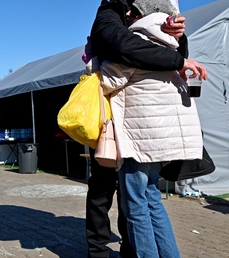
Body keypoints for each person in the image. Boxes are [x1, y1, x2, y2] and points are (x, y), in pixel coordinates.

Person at [86, 0, 206, 257]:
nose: (127, 14)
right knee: (153, 200)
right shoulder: (171, 45)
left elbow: (108, 80)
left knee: (136, 208)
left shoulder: (137, 40)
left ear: (144, 15)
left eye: (133, 11)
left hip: (138, 137)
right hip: (162, 140)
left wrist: (92, 60)